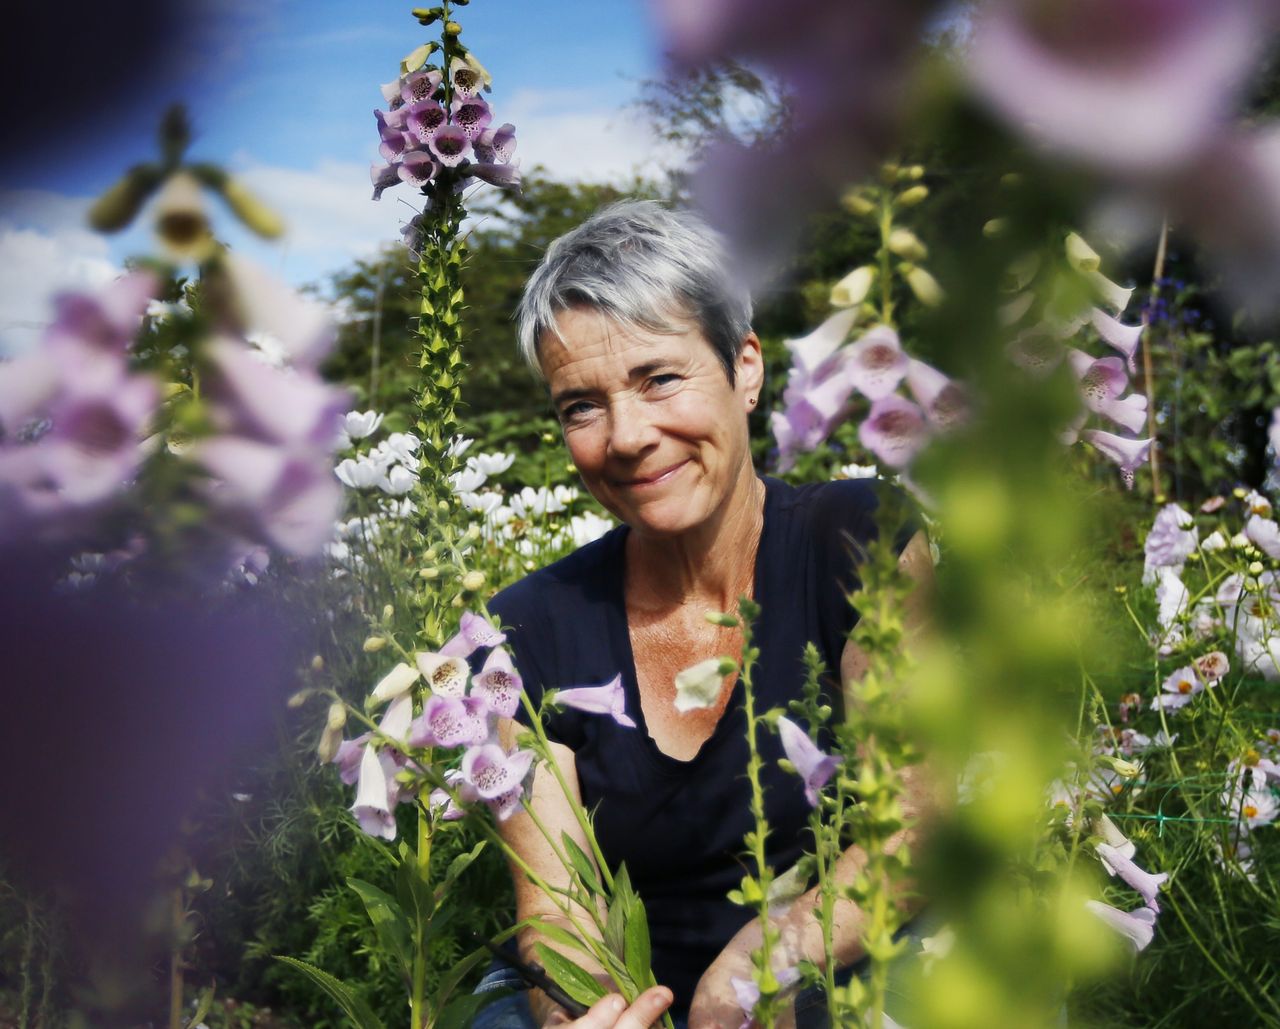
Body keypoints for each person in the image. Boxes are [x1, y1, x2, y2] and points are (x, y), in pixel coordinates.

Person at [474, 200, 934, 1029]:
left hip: (834, 954)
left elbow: (919, 822)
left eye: (659, 379)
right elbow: (557, 910)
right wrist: (589, 1013)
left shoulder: (860, 539)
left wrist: (771, 956)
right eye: (581, 404)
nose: (627, 435)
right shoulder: (524, 631)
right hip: (631, 990)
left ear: (746, 368)